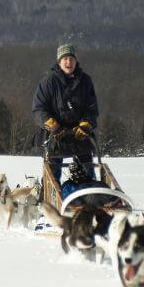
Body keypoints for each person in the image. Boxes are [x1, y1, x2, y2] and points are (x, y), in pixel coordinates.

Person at [32, 44, 99, 183]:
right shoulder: (48, 81)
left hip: (80, 134)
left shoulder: (85, 81)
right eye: (65, 59)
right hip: (56, 135)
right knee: (53, 174)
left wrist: (86, 124)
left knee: (88, 172)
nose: (69, 62)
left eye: (71, 59)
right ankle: (51, 199)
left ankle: (91, 197)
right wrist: (52, 125)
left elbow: (91, 107)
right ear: (59, 61)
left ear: (76, 61)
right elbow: (39, 108)